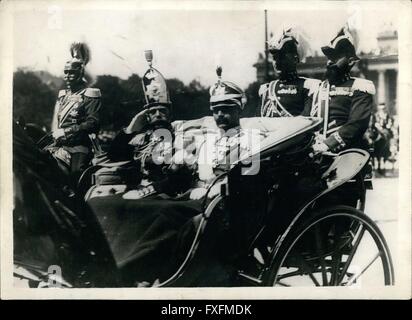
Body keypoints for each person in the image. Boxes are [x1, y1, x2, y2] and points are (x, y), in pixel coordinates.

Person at [311, 25, 375, 154]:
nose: (329, 62)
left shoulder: (360, 87)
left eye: (335, 57)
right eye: (329, 57)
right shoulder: (317, 88)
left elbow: (356, 124)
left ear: (351, 61)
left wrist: (327, 144)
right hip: (315, 153)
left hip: (345, 154)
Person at [50, 42, 101, 187]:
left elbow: (93, 123)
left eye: (72, 72)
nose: (68, 76)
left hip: (79, 147)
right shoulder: (62, 95)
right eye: (65, 72)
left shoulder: (90, 94)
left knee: (76, 178)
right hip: (60, 146)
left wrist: (66, 131)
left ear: (81, 73)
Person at [259, 28, 320, 117]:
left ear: (295, 59)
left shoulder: (308, 87)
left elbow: (306, 121)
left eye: (282, 58)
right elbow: (260, 121)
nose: (277, 62)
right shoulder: (267, 90)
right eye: (275, 58)